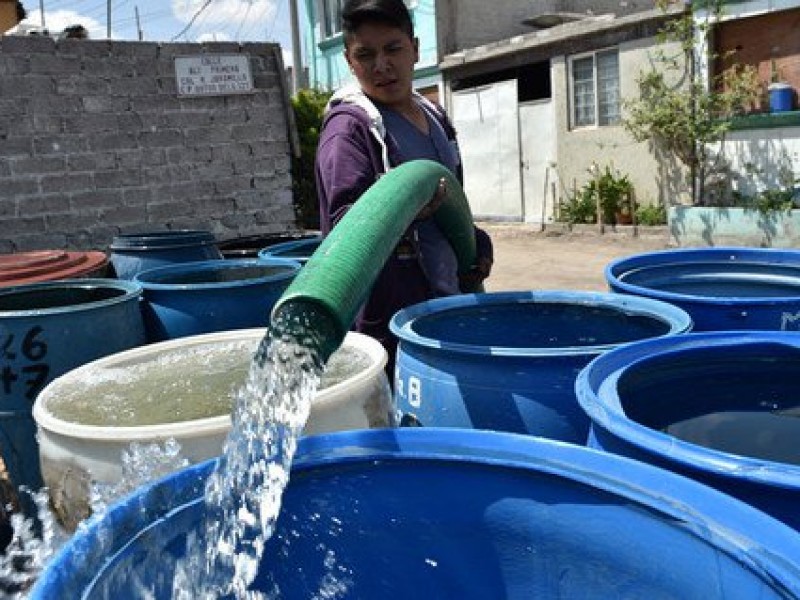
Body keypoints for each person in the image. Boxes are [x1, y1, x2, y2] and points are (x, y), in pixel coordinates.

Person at [315, 0, 493, 374]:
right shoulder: (350, 130)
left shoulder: (434, 115)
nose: (381, 66)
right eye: (366, 55)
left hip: (447, 305)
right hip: (391, 327)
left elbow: (451, 201)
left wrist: (475, 241)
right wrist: (402, 215)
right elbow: (346, 229)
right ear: (350, 61)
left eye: (392, 49)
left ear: (414, 48)